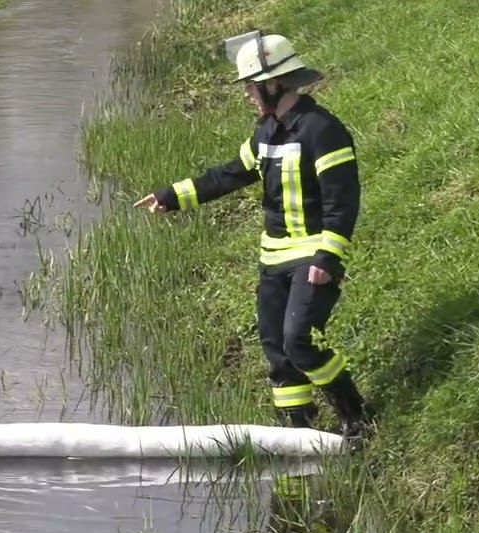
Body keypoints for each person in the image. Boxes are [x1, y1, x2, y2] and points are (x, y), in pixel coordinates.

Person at [133, 30, 369, 445]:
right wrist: (172, 197)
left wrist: (328, 259)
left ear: (273, 84)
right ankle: (298, 436)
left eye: (249, 86)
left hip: (313, 257)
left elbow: (342, 201)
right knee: (278, 351)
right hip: (274, 259)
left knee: (301, 341)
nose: (246, 94)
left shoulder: (323, 131)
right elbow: (230, 174)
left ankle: (355, 414)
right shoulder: (267, 132)